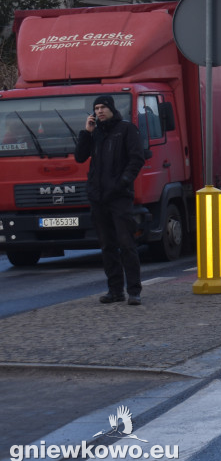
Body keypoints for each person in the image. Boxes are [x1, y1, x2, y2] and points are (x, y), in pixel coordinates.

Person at [75, 95, 146, 305]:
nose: (99, 111)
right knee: (107, 246)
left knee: (126, 244)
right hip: (98, 198)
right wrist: (86, 133)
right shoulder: (96, 133)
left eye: (103, 107)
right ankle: (115, 291)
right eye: (96, 108)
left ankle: (134, 291)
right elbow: (80, 157)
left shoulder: (126, 129)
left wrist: (122, 182)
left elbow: (137, 158)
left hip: (120, 197)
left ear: (112, 109)